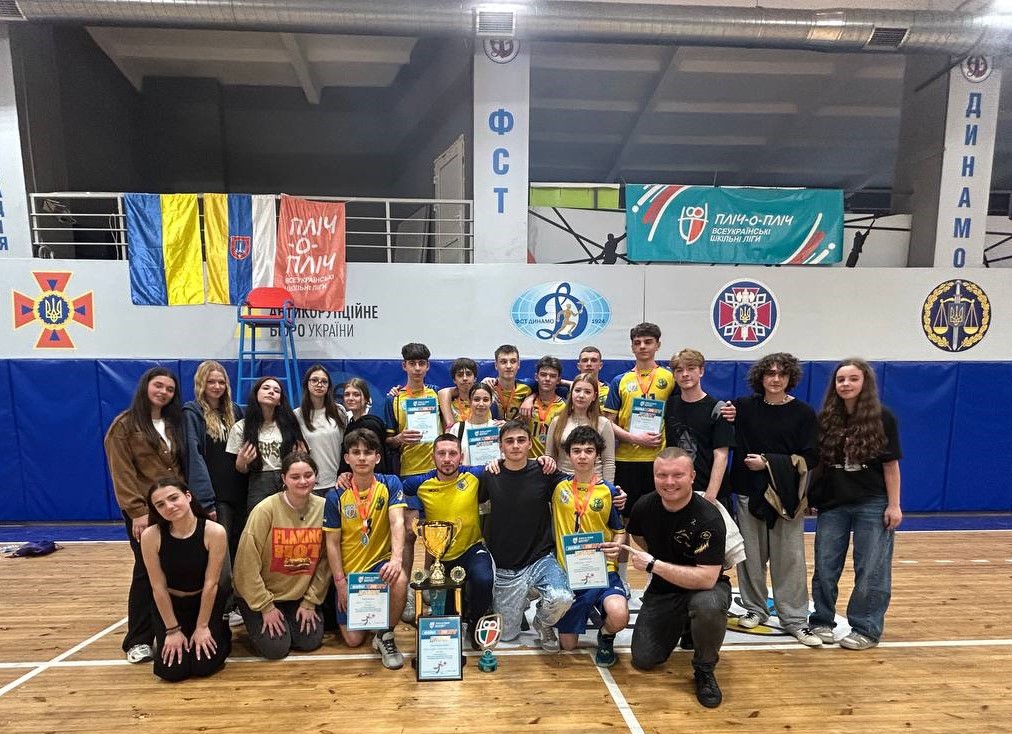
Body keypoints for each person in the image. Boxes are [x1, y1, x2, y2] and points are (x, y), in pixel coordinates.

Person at [808, 359, 903, 650]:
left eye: (853, 379)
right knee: (825, 565)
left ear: (865, 383)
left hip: (872, 502)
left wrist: (894, 505)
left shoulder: (882, 417)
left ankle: (866, 628)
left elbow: (891, 466)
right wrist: (811, 497)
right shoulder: (826, 418)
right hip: (833, 503)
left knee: (871, 568)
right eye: (841, 379)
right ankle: (822, 621)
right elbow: (819, 464)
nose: (846, 384)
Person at [625, 448, 730, 709]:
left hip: (705, 588)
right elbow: (638, 536)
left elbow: (707, 578)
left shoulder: (709, 517)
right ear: (654, 476)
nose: (669, 482)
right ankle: (686, 625)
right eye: (662, 475)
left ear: (692, 476)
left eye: (677, 475)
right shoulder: (644, 506)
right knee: (644, 659)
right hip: (665, 589)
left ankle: (704, 669)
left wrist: (655, 565)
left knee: (708, 605)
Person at [729, 352, 822, 647]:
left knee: (789, 559)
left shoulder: (803, 414)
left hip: (786, 497)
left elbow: (811, 456)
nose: (776, 379)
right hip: (748, 492)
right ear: (761, 377)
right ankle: (755, 609)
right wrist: (725, 412)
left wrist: (768, 462)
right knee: (750, 557)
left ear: (790, 378)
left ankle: (795, 618)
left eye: (782, 374)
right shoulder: (744, 407)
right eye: (770, 373)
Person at [104, 367, 187, 664]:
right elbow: (122, 472)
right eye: (158, 386)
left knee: (175, 568)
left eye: (170, 389)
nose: (163, 392)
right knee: (146, 571)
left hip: (177, 508)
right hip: (147, 512)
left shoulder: (175, 423)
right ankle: (138, 639)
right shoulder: (124, 426)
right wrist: (138, 512)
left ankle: (173, 628)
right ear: (145, 387)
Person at [479, 420, 573, 650]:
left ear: (530, 443)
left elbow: (580, 484)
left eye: (521, 440)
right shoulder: (490, 474)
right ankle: (523, 596)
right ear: (500, 446)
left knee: (562, 597)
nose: (515, 445)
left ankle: (542, 623)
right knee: (507, 636)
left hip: (540, 559)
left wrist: (613, 491)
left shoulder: (545, 471)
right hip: (506, 566)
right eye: (509, 441)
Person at [324, 429, 408, 669]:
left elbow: (397, 522)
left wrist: (396, 560)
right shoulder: (335, 496)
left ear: (377, 457)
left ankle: (385, 633)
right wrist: (340, 583)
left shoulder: (390, 483)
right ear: (347, 458)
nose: (362, 458)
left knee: (400, 579)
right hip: (351, 574)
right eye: (356, 452)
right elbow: (331, 544)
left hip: (379, 566)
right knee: (353, 640)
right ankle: (374, 613)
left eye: (368, 452)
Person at [232, 452, 329, 659]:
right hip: (261, 594)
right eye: (295, 477)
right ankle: (255, 618)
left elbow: (325, 561)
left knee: (310, 641)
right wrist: (266, 607)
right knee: (276, 649)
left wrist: (310, 601)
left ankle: (287, 618)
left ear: (316, 476)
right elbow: (245, 565)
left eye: (308, 475)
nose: (302, 481)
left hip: (297, 595)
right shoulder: (265, 510)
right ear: (284, 479)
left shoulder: (324, 508)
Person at [400, 434, 495, 645]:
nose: (447, 459)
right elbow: (393, 485)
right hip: (440, 558)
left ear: (461, 456)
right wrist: (414, 509)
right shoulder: (419, 483)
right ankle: (455, 616)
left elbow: (504, 466)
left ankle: (476, 621)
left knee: (484, 579)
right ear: (432, 456)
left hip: (472, 549)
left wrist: (542, 461)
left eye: (452, 453)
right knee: (447, 614)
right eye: (441, 453)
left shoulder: (474, 475)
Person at [604, 322, 676, 581]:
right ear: (632, 346)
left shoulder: (669, 378)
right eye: (638, 342)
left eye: (648, 342)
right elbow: (608, 422)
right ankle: (622, 580)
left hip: (658, 462)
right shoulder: (620, 381)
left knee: (657, 521)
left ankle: (655, 579)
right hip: (625, 461)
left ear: (658, 345)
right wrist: (633, 437)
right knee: (622, 523)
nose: (643, 346)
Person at [140, 478, 231, 681]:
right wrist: (172, 630)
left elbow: (211, 584)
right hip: (170, 604)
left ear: (188, 496)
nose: (169, 506)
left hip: (204, 601)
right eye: (160, 504)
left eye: (174, 498)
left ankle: (221, 629)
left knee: (203, 666)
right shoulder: (150, 536)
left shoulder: (214, 531)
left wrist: (202, 627)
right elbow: (158, 587)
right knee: (174, 671)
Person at [551, 426, 627, 667]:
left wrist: (617, 547)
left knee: (619, 615)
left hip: (602, 570)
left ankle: (606, 635)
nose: (582, 456)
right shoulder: (557, 486)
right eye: (576, 451)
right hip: (570, 574)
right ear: (568, 455)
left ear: (597, 455)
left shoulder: (609, 491)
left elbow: (620, 531)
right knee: (568, 645)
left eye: (588, 451)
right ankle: (585, 610)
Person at [183, 361, 244, 559]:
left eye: (221, 382)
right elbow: (194, 457)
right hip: (215, 496)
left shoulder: (235, 411)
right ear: (201, 383)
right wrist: (205, 500)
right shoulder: (192, 413)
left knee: (239, 548)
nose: (217, 386)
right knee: (220, 552)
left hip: (239, 493)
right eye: (211, 382)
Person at [664, 349, 735, 503]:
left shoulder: (718, 408)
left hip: (710, 492)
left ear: (701, 371)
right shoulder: (668, 406)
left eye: (691, 368)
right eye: (679, 370)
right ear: (674, 375)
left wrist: (710, 496)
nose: (685, 374)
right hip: (676, 489)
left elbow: (721, 456)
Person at [227, 376, 306, 513]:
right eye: (266, 388)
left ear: (280, 400)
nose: (271, 392)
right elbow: (239, 470)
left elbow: (302, 455)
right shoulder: (241, 427)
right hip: (258, 482)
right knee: (259, 522)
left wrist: (302, 456)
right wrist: (241, 463)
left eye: (276, 390)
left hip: (287, 480)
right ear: (256, 394)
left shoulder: (290, 425)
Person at [545, 373, 616, 483]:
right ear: (571, 393)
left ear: (594, 396)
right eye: (577, 390)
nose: (581, 395)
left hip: (594, 484)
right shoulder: (557, 422)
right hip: (562, 483)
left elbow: (608, 461)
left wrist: (608, 489)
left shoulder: (603, 423)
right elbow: (550, 457)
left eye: (587, 392)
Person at [295, 364, 348, 498]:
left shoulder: (339, 411)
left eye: (324, 381)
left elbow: (346, 446)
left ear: (329, 386)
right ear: (307, 384)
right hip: (309, 484)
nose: (319, 384)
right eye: (314, 380)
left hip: (337, 483)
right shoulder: (297, 415)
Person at [339, 377, 391, 475]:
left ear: (366, 399)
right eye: (347, 394)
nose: (350, 398)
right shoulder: (351, 424)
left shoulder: (371, 425)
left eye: (356, 394)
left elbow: (375, 462)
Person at [446, 383, 502, 465]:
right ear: (469, 401)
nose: (481, 404)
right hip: (467, 473)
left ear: (491, 402)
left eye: (486, 400)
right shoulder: (457, 429)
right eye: (476, 399)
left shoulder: (499, 427)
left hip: (494, 473)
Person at [528, 356, 567, 458]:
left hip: (554, 462)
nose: (547, 379)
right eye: (543, 375)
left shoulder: (565, 407)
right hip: (530, 462)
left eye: (552, 376)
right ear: (536, 377)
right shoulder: (526, 404)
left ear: (558, 380)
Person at [483, 344, 533, 421]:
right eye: (503, 362)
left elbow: (545, 389)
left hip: (517, 428)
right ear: (496, 365)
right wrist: (482, 385)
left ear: (518, 364)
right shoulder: (487, 387)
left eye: (513, 361)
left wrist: (530, 399)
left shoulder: (528, 386)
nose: (509, 366)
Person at [436, 357, 479, 427]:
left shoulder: (482, 402)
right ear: (454, 380)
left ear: (475, 378)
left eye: (468, 374)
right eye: (460, 375)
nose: (465, 378)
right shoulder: (449, 404)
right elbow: (442, 392)